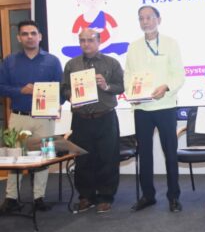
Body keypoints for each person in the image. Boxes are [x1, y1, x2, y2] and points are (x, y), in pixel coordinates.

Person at [126, 6, 185, 212]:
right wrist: (131, 94)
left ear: (159, 19)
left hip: (165, 106)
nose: (145, 22)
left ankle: (173, 197)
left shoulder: (170, 43)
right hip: (142, 108)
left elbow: (179, 74)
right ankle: (148, 196)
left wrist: (166, 86)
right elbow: (128, 74)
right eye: (141, 18)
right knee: (144, 153)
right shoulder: (133, 46)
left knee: (170, 153)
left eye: (149, 17)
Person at [0, 20, 63, 213]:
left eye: (33, 33)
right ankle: (11, 198)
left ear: (40, 36)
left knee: (44, 157)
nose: (30, 37)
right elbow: (2, 87)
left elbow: (61, 90)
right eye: (25, 34)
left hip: (45, 118)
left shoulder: (52, 61)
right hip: (19, 117)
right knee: (15, 157)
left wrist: (57, 105)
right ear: (19, 38)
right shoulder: (9, 61)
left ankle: (39, 197)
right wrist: (21, 90)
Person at [61, 29, 124, 213]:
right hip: (81, 119)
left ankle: (105, 196)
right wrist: (70, 95)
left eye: (90, 40)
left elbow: (121, 86)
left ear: (99, 41)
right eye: (82, 40)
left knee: (107, 159)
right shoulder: (72, 64)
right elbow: (64, 89)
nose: (86, 44)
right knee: (83, 159)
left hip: (105, 117)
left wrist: (106, 85)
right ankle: (86, 196)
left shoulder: (111, 63)